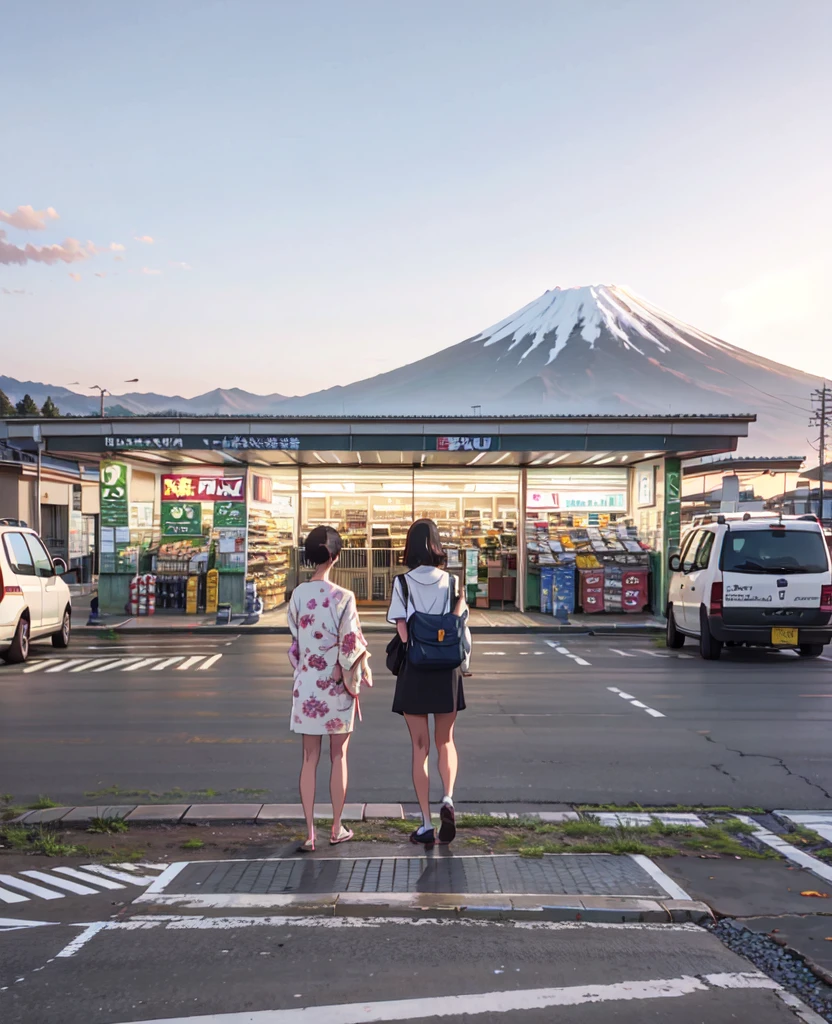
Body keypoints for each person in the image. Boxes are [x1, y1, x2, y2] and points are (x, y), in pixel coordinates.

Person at [387, 518, 471, 847]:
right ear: (437, 544)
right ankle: (448, 799)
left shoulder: (402, 583)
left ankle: (425, 824)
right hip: (447, 670)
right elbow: (460, 621)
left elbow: (403, 631)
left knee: (419, 748)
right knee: (445, 742)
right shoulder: (452, 582)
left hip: (416, 670)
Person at [288, 525, 367, 852]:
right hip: (336, 686)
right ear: (335, 556)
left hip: (307, 684)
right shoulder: (343, 597)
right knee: (339, 756)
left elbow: (295, 642)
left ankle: (309, 832)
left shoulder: (297, 595)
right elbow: (350, 645)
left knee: (309, 758)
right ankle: (336, 827)